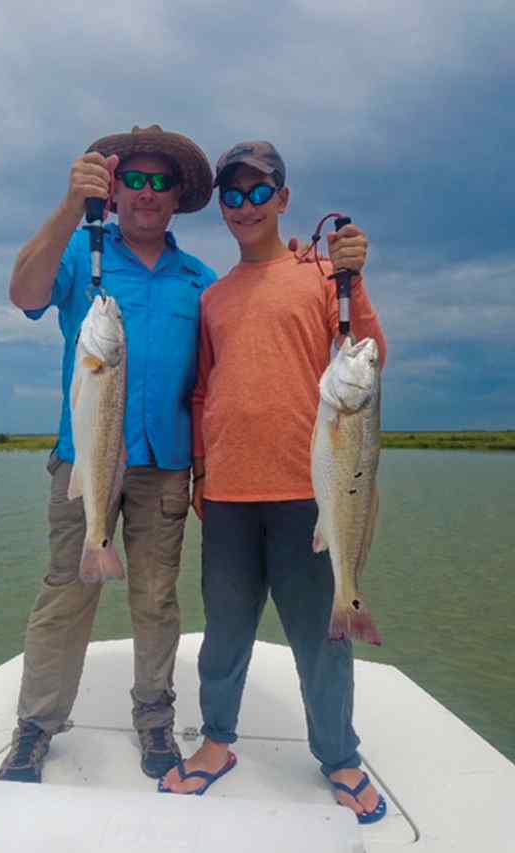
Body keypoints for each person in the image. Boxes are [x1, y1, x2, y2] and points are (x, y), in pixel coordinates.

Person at [158, 142, 389, 825]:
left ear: (284, 199)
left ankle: (340, 754)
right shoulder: (214, 298)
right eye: (233, 194)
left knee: (324, 636)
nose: (245, 205)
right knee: (224, 633)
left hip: (309, 492)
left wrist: (355, 278)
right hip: (227, 494)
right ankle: (217, 743)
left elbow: (372, 357)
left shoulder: (321, 275)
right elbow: (202, 392)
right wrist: (202, 471)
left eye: (260, 192)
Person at [0, 125, 217, 783]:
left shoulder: (200, 281)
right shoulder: (80, 254)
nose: (147, 193)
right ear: (114, 190)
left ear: (178, 196)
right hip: (84, 459)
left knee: (156, 599)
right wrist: (70, 207)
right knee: (66, 594)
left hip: (167, 466)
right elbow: (24, 294)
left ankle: (155, 721)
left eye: (161, 182)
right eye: (135, 179)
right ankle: (36, 727)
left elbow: (216, 380)